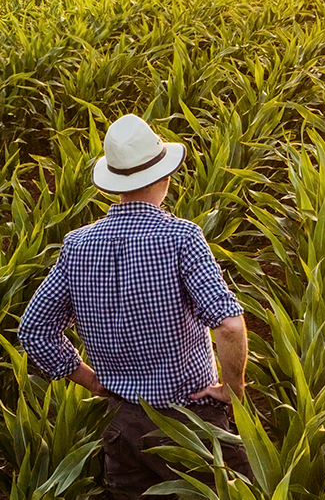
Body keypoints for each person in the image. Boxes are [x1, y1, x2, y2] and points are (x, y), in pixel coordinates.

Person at [18, 113, 254, 496]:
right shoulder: (181, 237)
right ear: (164, 176)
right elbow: (229, 325)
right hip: (190, 425)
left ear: (115, 183)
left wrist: (90, 380)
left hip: (122, 426)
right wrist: (233, 391)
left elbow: (34, 330)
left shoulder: (77, 245)